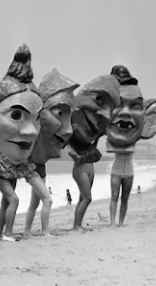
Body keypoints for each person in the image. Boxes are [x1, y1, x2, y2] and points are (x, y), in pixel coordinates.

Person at [0, 44, 43, 242]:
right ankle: (8, 233)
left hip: (15, 167)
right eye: (16, 115)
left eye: (36, 119)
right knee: (13, 199)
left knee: (6, 201)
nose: (31, 131)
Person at [105, 65, 156, 227]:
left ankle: (121, 222)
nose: (124, 113)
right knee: (114, 196)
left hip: (129, 170)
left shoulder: (137, 131)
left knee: (125, 198)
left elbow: (149, 129)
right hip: (116, 169)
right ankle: (111, 222)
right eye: (117, 104)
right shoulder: (112, 129)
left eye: (134, 106)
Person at [24, 69, 78, 238]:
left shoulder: (47, 130)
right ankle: (45, 231)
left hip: (41, 168)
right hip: (32, 168)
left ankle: (27, 232)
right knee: (47, 200)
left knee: (35, 202)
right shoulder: (35, 122)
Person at [68, 75, 121, 230]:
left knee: (82, 198)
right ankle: (77, 226)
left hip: (90, 168)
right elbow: (70, 148)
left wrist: (101, 133)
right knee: (87, 198)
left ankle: (78, 224)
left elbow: (97, 140)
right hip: (80, 169)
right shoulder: (73, 134)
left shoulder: (92, 136)